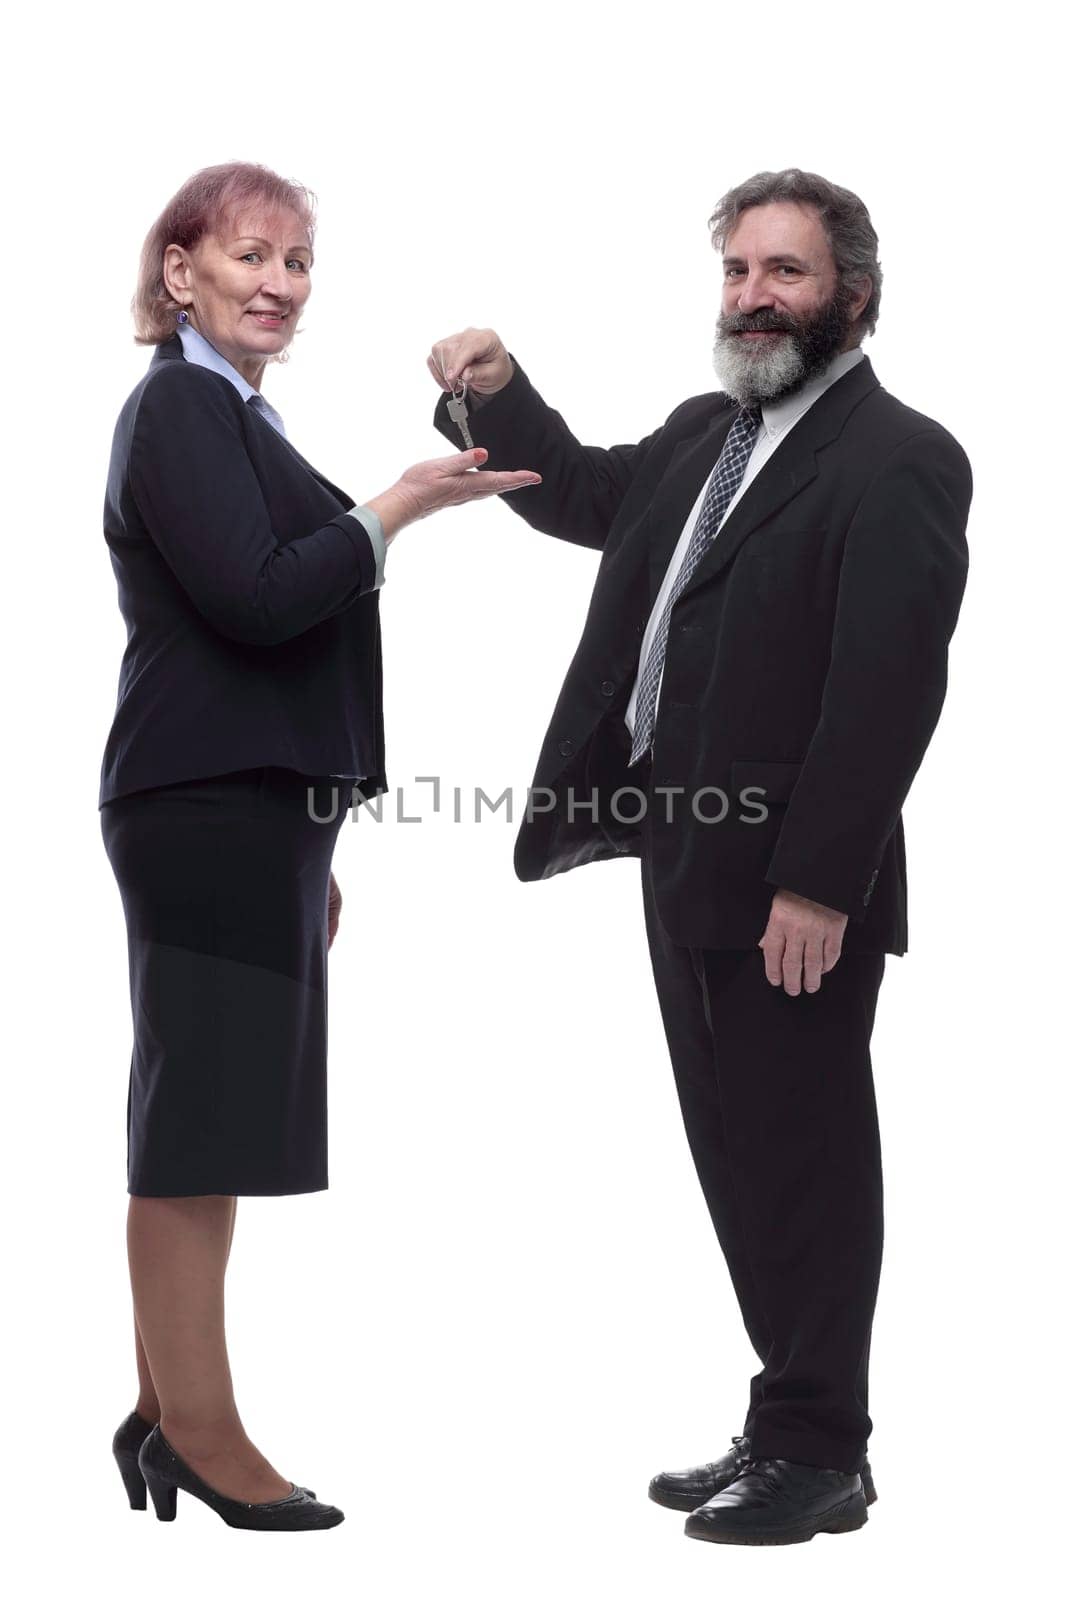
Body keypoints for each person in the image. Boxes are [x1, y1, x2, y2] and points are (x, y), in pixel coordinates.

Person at [429, 167, 971, 1547]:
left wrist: (819, 881)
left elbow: (888, 689)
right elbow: (583, 495)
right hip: (683, 852)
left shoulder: (900, 457)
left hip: (790, 880)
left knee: (804, 1152)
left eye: (783, 272)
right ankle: (787, 1416)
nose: (753, 297)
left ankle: (819, 1449)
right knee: (736, 1150)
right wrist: (497, 395)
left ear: (852, 292)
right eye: (737, 271)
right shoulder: (705, 435)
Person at [100, 160, 540, 1532]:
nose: (281, 284)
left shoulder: (238, 416)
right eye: (252, 256)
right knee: (195, 1126)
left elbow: (264, 619)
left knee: (211, 1120)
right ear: (182, 271)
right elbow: (258, 598)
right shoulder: (177, 403)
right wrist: (395, 510)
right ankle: (201, 1435)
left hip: (252, 812)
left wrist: (316, 831)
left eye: (300, 262)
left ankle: (163, 1410)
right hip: (203, 805)